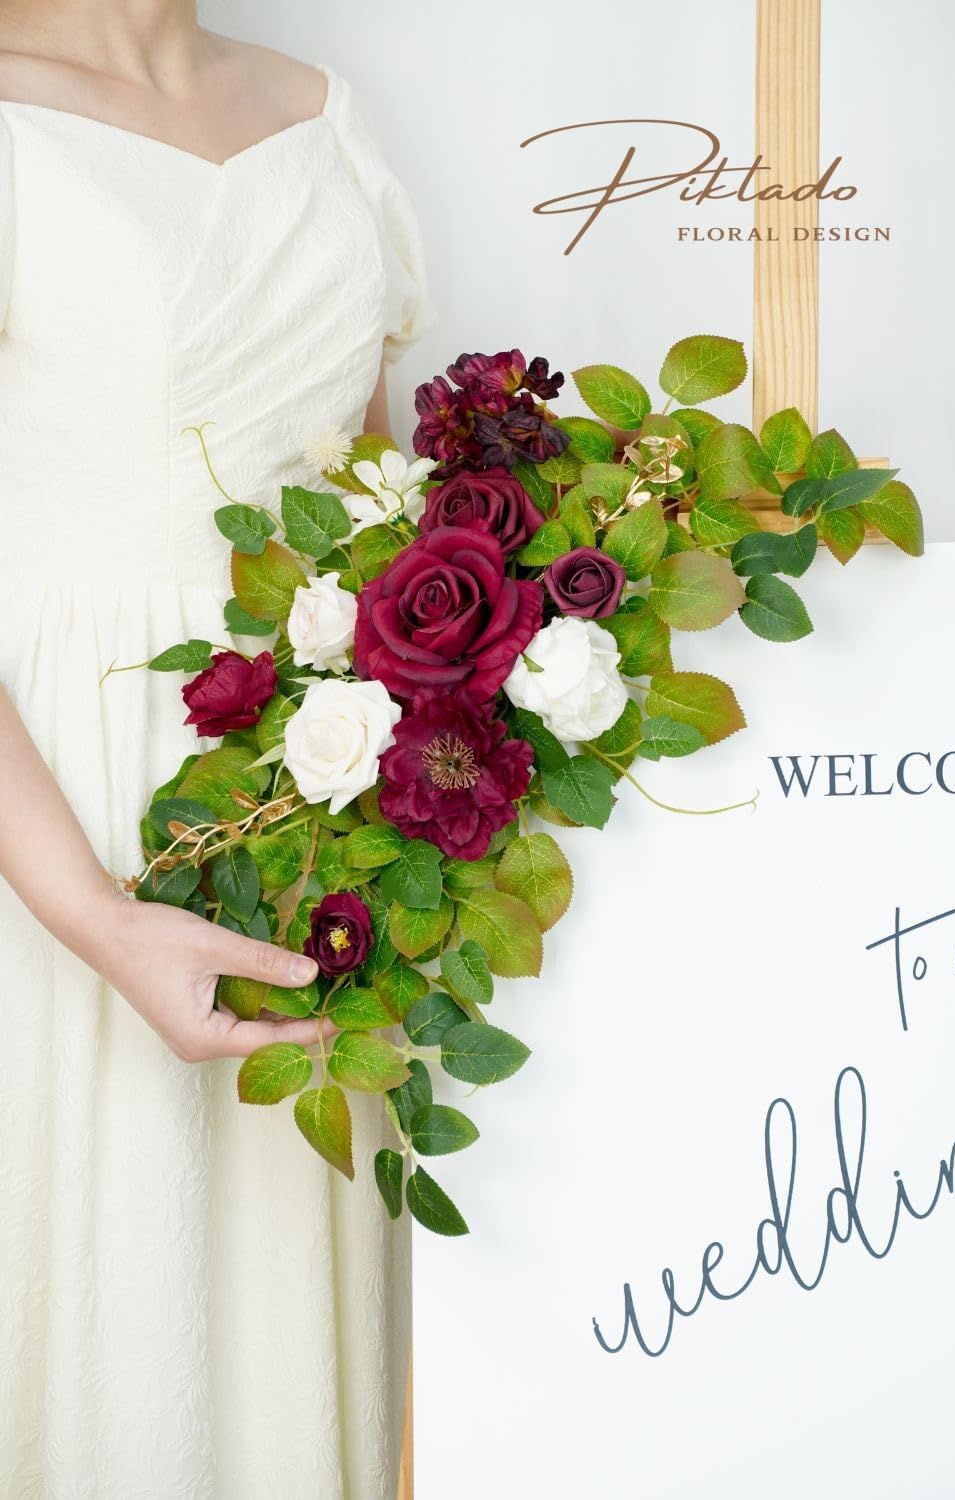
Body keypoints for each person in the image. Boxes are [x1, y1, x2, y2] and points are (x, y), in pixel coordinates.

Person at [0, 3, 435, 1494]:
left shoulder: (320, 109)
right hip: (58, 812)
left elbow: (373, 515)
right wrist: (97, 917)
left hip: (306, 808)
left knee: (282, 1339)